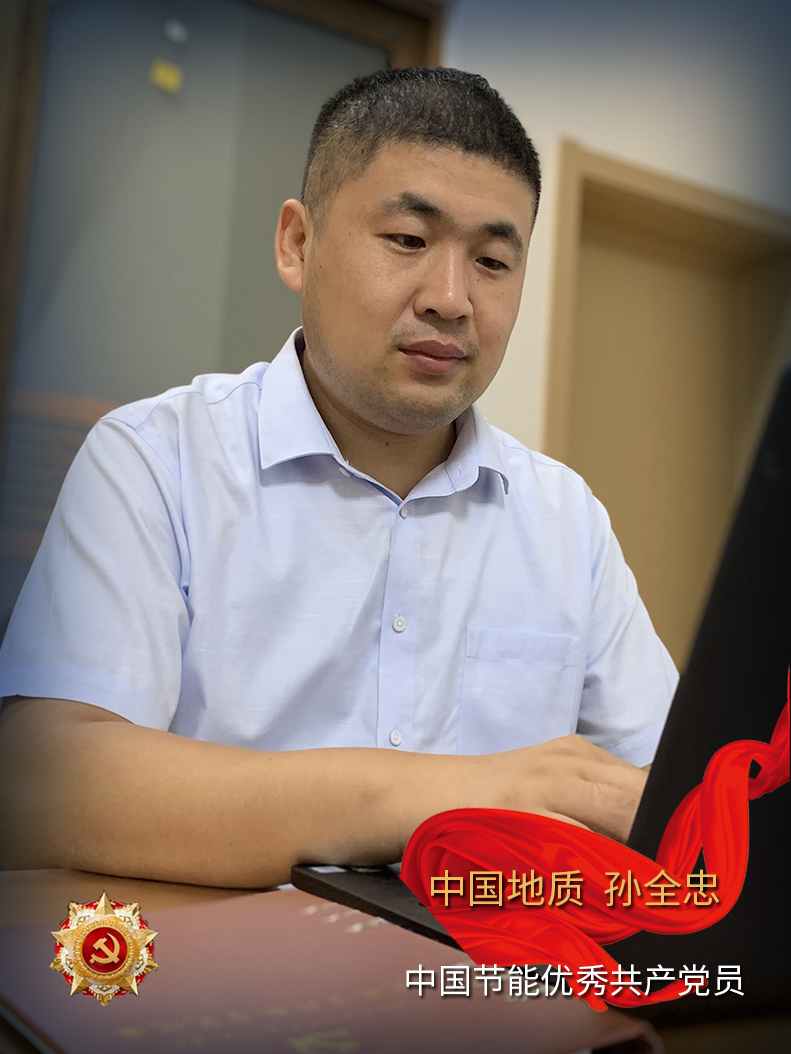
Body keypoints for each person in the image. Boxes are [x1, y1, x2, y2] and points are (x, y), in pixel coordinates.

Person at [0, 68, 676, 888]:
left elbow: (667, 794)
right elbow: (44, 785)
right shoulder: (158, 459)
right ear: (297, 243)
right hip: (207, 960)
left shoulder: (564, 518)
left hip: (482, 962)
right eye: (407, 240)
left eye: (493, 261)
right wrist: (452, 796)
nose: (451, 299)